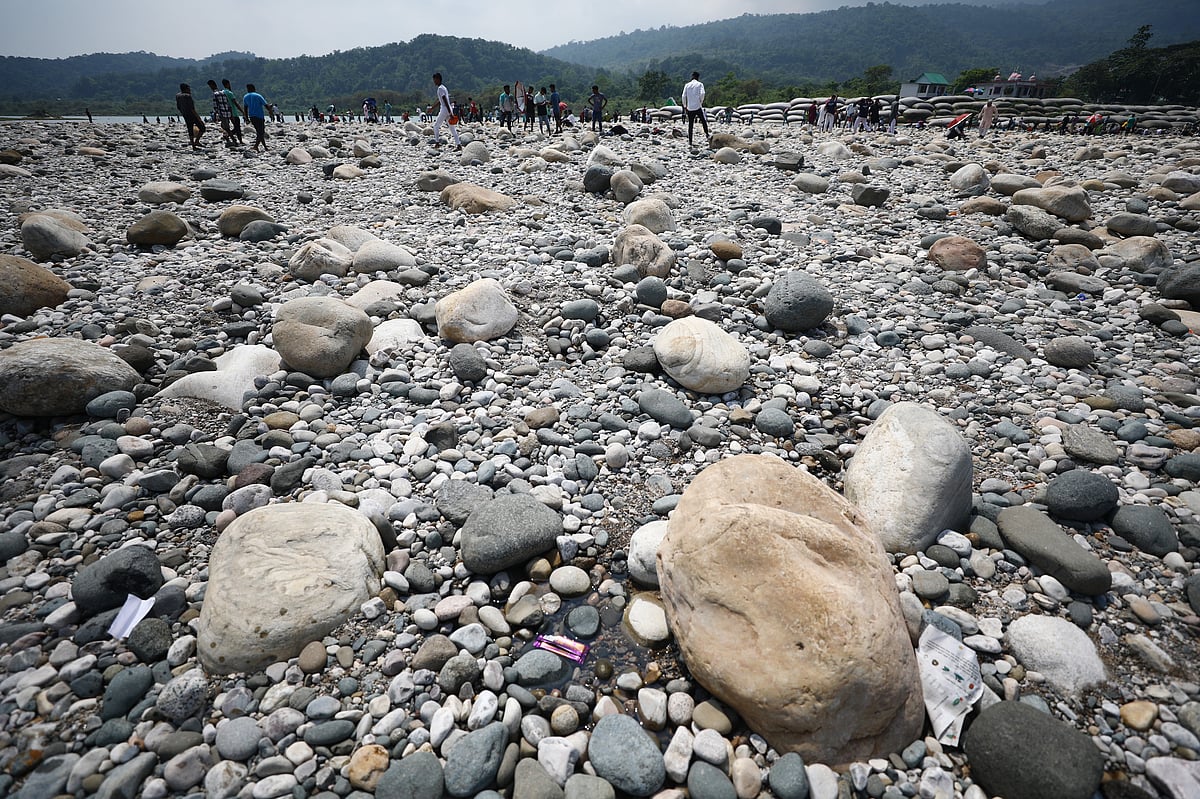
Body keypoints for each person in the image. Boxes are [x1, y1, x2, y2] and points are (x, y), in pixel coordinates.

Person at [431, 72, 461, 149]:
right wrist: (432, 108)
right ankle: (458, 144)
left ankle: (437, 143)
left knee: (436, 126)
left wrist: (449, 113)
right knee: (452, 128)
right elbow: (440, 100)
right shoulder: (444, 87)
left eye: (434, 80)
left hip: (445, 109)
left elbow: (444, 101)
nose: (434, 81)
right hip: (448, 108)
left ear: (438, 79)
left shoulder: (440, 88)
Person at [681, 71, 710, 148]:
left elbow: (683, 96)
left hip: (690, 107)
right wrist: (700, 101)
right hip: (697, 106)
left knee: (690, 125)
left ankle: (690, 141)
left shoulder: (687, 85)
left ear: (692, 76)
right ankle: (707, 135)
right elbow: (702, 93)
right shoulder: (700, 84)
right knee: (703, 121)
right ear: (698, 77)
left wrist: (685, 105)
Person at [206, 80, 237, 147]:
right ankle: (227, 137)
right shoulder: (222, 93)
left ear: (212, 86)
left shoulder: (215, 94)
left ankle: (233, 140)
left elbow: (215, 106)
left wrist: (215, 114)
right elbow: (228, 104)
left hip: (222, 113)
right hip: (227, 112)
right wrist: (230, 113)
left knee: (226, 127)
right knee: (224, 126)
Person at [175, 83, 205, 149]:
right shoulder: (188, 96)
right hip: (192, 115)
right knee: (202, 128)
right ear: (186, 89)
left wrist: (183, 113)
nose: (190, 90)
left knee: (190, 129)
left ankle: (193, 145)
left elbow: (178, 107)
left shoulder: (178, 96)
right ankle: (196, 141)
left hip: (185, 115)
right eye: (188, 88)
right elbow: (192, 109)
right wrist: (199, 118)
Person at [242, 83, 270, 152]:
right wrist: (270, 111)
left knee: (259, 132)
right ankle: (256, 146)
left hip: (252, 116)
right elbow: (266, 105)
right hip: (259, 116)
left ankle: (265, 147)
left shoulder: (245, 97)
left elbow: (245, 108)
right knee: (261, 132)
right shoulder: (258, 96)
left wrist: (246, 118)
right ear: (254, 89)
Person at [221, 79, 245, 144]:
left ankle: (228, 135)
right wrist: (242, 111)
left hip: (226, 112)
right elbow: (235, 103)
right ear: (228, 84)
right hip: (233, 112)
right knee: (237, 127)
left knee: (235, 127)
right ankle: (239, 140)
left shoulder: (222, 92)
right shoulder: (229, 93)